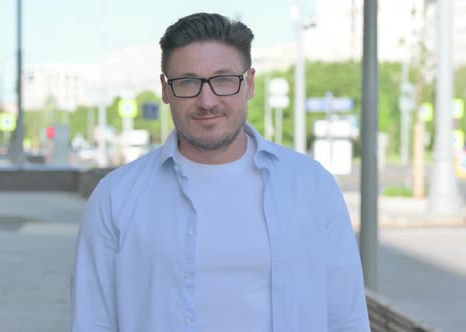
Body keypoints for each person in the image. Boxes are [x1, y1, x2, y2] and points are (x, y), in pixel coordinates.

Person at [71, 12, 370, 332]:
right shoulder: (115, 196)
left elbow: (346, 317)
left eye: (223, 79)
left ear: (250, 83)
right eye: (187, 82)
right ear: (165, 89)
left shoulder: (312, 186)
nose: (207, 100)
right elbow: (93, 321)